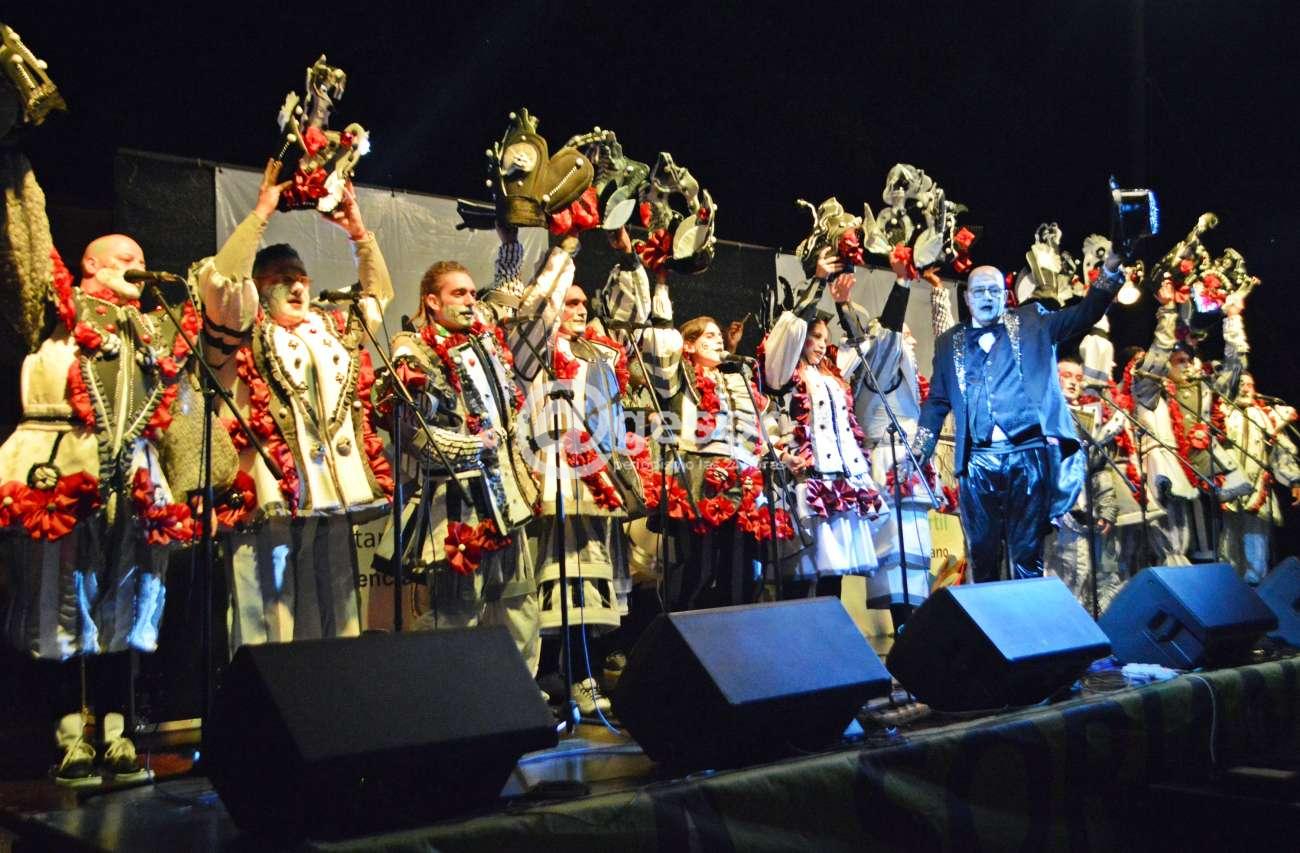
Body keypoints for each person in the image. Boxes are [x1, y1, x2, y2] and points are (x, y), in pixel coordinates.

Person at [0, 231, 205, 784]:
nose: (137, 264)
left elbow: (217, 298)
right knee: (61, 599)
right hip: (64, 465)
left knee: (126, 602)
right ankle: (69, 737)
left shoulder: (151, 328)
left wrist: (258, 213)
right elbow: (23, 255)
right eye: (125, 256)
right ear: (89, 263)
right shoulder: (53, 310)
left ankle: (118, 734)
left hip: (133, 474)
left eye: (142, 257)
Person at [193, 159, 394, 649]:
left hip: (332, 493)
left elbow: (377, 296)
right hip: (268, 495)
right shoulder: (241, 329)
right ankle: (261, 692)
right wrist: (262, 211)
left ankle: (335, 687)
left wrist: (358, 232)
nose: (299, 285)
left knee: (337, 606)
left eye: (301, 276)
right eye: (284, 277)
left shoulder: (331, 328)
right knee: (266, 611)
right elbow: (221, 283)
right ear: (259, 285)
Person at [374, 251, 542, 679]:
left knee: (519, 602)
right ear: (432, 301)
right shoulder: (413, 348)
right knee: (456, 611)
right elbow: (413, 430)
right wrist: (473, 447)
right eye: (459, 294)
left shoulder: (482, 330)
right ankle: (442, 695)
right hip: (458, 502)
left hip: (508, 498)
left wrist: (511, 242)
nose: (470, 301)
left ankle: (518, 693)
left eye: (471, 293)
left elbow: (508, 295)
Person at [910, 254, 1125, 582]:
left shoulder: (1033, 322)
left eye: (993, 291)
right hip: (977, 459)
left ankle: (1029, 614)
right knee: (981, 553)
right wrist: (920, 448)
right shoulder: (948, 342)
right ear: (966, 298)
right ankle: (987, 614)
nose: (986, 297)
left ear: (1005, 295)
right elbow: (938, 401)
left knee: (1027, 553)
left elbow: (1086, 313)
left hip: (1026, 455)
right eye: (979, 291)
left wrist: (1108, 272)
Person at [507, 241, 636, 715]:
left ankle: (584, 673)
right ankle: (548, 677)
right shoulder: (539, 351)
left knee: (588, 576)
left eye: (584, 303)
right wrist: (561, 254)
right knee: (553, 578)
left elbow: (635, 317)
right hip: (553, 478)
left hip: (592, 479)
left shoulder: (598, 356)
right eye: (571, 302)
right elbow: (531, 316)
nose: (581, 310)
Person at [639, 272, 793, 610]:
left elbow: (759, 428)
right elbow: (660, 344)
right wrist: (661, 285)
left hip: (742, 480)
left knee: (742, 573)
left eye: (719, 336)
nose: (719, 341)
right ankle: (679, 633)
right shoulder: (679, 377)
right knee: (698, 568)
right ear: (688, 345)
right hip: (697, 480)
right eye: (709, 336)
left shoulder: (737, 379)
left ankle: (734, 636)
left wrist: (780, 453)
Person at [763, 264, 888, 596]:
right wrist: (818, 282)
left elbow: (860, 343)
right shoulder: (785, 370)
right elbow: (790, 331)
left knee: (836, 570)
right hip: (806, 476)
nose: (821, 345)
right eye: (815, 337)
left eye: (825, 340)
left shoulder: (833, 373)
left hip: (841, 479)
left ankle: (832, 624)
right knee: (802, 570)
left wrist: (843, 304)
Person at [1125, 282, 1248, 564]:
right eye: (1178, 360)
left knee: (1212, 544)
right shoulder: (1153, 392)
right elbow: (1157, 353)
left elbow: (1234, 371)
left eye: (1188, 360)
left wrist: (1232, 319)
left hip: (1204, 471)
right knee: (1175, 544)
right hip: (1169, 474)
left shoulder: (1203, 388)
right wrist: (1168, 309)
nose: (1186, 364)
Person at [1043, 357, 1120, 610]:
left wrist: (1106, 506)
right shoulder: (1039, 413)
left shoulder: (1089, 418)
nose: (1073, 383)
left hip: (1081, 511)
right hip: (1049, 513)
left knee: (1080, 577)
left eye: (1078, 378)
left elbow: (1099, 469)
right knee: (1049, 579)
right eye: (1066, 376)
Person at [1218, 373, 1300, 583]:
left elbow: (1282, 450)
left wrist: (1294, 480)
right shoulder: (1223, 413)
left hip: (1257, 487)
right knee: (1229, 538)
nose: (1246, 389)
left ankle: (1255, 584)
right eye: (1241, 384)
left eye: (1250, 385)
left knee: (1255, 538)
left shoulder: (1264, 416)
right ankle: (1229, 584)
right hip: (1230, 486)